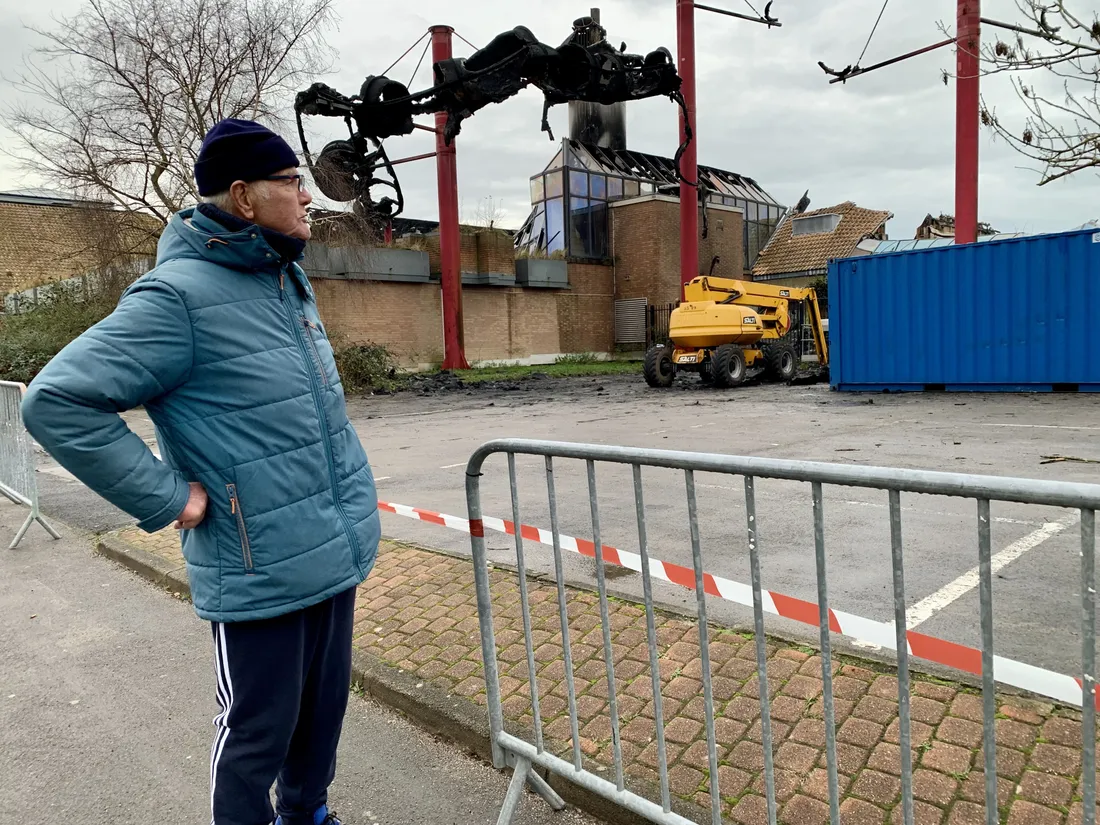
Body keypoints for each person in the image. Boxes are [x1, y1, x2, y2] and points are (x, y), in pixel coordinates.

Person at [21, 118, 380, 825]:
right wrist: (165, 496)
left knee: (320, 720)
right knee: (256, 736)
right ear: (243, 197)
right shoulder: (176, 297)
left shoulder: (285, 279)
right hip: (258, 567)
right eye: (291, 182)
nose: (308, 196)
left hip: (331, 551)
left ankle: (308, 813)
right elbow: (56, 402)